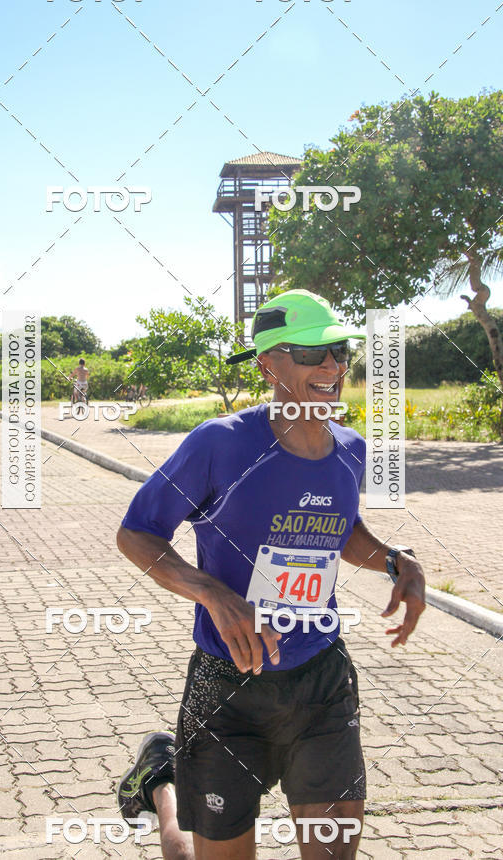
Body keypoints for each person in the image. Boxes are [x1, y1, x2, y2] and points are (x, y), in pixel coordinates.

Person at [116, 289, 426, 860]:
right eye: (311, 354)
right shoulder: (220, 444)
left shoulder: (351, 449)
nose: (331, 366)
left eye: (339, 351)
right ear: (268, 365)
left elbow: (339, 527)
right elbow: (137, 533)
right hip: (227, 687)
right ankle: (161, 783)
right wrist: (213, 594)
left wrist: (392, 559)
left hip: (321, 680)